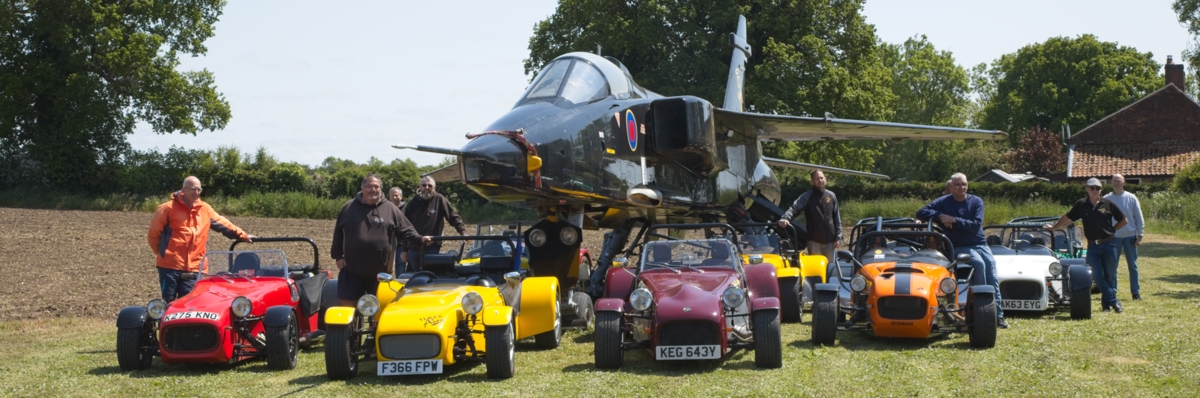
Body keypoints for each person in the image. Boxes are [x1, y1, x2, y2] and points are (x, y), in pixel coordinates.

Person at [915, 173, 1008, 328]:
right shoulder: (944, 202)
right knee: (978, 264)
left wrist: (955, 221)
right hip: (960, 246)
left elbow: (975, 225)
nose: (961, 188)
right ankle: (982, 312)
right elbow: (921, 212)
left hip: (979, 243)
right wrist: (941, 216)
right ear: (951, 186)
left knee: (991, 268)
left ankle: (997, 315)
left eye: (964, 184)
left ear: (967, 185)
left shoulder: (976, 201)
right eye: (957, 185)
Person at [147, 176, 256, 302]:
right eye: (193, 189)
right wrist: (163, 253)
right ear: (183, 190)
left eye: (199, 190)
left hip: (195, 266)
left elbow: (223, 224)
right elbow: (153, 234)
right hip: (170, 266)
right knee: (168, 302)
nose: (197, 193)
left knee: (189, 302)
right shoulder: (167, 208)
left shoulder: (205, 209)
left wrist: (242, 235)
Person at [332, 174, 431, 306]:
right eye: (369, 187)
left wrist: (419, 239)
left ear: (380, 189)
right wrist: (338, 257)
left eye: (376, 187)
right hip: (352, 271)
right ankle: (352, 326)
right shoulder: (348, 207)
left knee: (381, 313)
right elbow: (338, 234)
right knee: (347, 312)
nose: (373, 190)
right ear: (362, 188)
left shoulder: (390, 208)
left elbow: (406, 230)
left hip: (381, 274)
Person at [1045, 177, 1128, 312]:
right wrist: (1054, 227)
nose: (1095, 190)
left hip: (1109, 244)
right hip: (1093, 246)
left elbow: (1124, 220)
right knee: (1095, 275)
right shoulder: (1081, 204)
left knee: (1110, 276)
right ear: (1087, 189)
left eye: (1097, 188)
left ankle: (1106, 306)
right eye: (1092, 188)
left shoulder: (1108, 203)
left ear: (1101, 190)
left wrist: (1112, 230)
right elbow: (1067, 217)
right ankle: (1115, 302)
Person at [403, 176, 469, 272]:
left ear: (434, 188)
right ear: (419, 187)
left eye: (430, 185)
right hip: (414, 247)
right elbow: (405, 227)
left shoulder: (440, 199)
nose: (426, 187)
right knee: (415, 276)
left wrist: (463, 232)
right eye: (424, 185)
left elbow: (453, 217)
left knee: (432, 275)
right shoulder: (412, 203)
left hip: (432, 246)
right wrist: (404, 250)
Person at [777, 170, 842, 266]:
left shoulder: (831, 196)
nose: (820, 180)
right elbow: (795, 208)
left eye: (821, 178)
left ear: (825, 179)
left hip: (830, 242)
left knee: (830, 269)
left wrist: (838, 237)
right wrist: (786, 218)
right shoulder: (806, 197)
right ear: (812, 181)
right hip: (814, 242)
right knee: (816, 269)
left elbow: (837, 217)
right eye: (817, 179)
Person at [1104, 174, 1145, 301]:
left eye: (1118, 181)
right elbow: (1101, 218)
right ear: (1111, 183)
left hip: (1130, 236)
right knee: (1112, 266)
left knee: (1132, 265)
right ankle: (1112, 292)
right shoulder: (1106, 199)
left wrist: (1140, 235)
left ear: (1124, 183)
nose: (1116, 183)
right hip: (1113, 237)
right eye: (1114, 181)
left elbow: (1139, 217)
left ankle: (1135, 293)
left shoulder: (1131, 198)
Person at [388, 186, 408, 271]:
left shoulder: (406, 209)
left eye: (396, 195)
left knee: (400, 267)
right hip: (389, 243)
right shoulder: (386, 208)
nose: (394, 197)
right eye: (392, 195)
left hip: (401, 243)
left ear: (401, 196)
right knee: (388, 267)